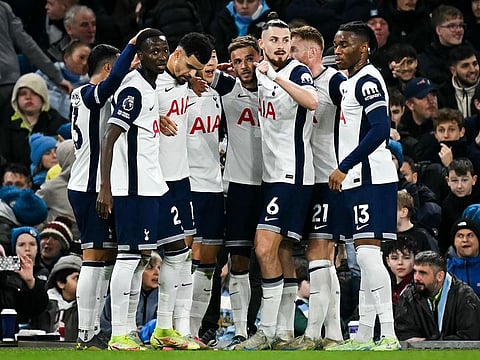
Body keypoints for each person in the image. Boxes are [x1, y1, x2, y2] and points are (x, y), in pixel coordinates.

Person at [96, 29, 195, 351]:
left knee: (179, 254)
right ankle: (119, 333)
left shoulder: (152, 89)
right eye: (153, 51)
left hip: (156, 186)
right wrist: (106, 188)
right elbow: (110, 136)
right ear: (141, 55)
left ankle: (164, 328)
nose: (161, 56)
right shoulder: (134, 90)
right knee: (130, 258)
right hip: (133, 189)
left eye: (164, 50)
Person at [234, 13, 318, 351]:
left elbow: (312, 101)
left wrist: (275, 77)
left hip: (293, 174)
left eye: (286, 41)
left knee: (264, 246)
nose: (282, 46)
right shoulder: (260, 73)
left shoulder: (295, 71)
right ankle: (283, 330)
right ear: (262, 45)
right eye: (275, 41)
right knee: (281, 251)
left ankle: (266, 329)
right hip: (272, 176)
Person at [67, 30, 145, 351]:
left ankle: (94, 329)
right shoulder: (89, 93)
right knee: (94, 257)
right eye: (119, 67)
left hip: (90, 184)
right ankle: (85, 333)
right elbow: (111, 83)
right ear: (109, 68)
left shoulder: (81, 94)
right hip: (90, 187)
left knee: (106, 258)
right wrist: (130, 49)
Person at [326, 21, 400, 351]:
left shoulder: (368, 80)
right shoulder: (351, 80)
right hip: (358, 179)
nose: (337, 51)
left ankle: (389, 334)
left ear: (364, 48)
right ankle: (365, 335)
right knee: (365, 256)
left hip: (370, 176)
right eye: (335, 45)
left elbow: (380, 129)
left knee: (369, 258)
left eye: (344, 45)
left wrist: (344, 166)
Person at [281, 25, 346, 351]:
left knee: (318, 254)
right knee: (323, 259)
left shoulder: (334, 82)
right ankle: (333, 334)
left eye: (294, 49)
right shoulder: (298, 84)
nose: (289, 55)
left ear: (313, 52)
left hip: (331, 179)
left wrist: (347, 165)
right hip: (310, 178)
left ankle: (313, 335)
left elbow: (358, 118)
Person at [154, 32, 214, 341]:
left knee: (183, 255)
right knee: (137, 259)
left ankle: (178, 330)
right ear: (176, 54)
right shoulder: (151, 84)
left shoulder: (184, 86)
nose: (192, 74)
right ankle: (118, 329)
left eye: (197, 70)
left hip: (180, 180)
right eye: (190, 67)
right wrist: (154, 115)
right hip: (155, 182)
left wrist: (191, 83)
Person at [206, 34, 263, 350]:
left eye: (250, 59)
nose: (244, 66)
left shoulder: (277, 88)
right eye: (238, 60)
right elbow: (192, 69)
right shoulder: (227, 90)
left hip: (274, 184)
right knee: (238, 260)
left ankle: (269, 327)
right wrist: (215, 67)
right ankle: (241, 329)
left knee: (271, 259)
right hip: (239, 185)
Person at [186, 49, 225, 339]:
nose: (210, 63)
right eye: (205, 59)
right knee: (182, 261)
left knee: (208, 263)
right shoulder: (175, 94)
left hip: (213, 186)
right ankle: (173, 328)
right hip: (187, 187)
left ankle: (194, 331)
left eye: (213, 58)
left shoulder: (216, 95)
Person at [0, 1, 72, 130]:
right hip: (8, 82)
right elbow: (27, 44)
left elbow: (26, 43)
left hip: (7, 83)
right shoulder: (3, 7)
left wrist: (56, 76)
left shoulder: (3, 8)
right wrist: (56, 76)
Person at [395, 250, 480, 341]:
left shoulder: (465, 297)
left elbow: (469, 336)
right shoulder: (408, 297)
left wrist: (428, 342)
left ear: (440, 276)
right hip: (419, 355)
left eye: (423, 273)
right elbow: (405, 334)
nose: (416, 278)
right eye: (415, 272)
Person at [0, 73, 68, 169]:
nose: (28, 97)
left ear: (43, 96)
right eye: (23, 93)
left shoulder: (58, 123)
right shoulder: (5, 124)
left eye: (35, 93)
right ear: (16, 98)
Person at [101, 251, 162, 339]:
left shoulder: (164, 297)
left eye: (159, 268)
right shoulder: (119, 295)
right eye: (150, 268)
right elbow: (105, 326)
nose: (157, 272)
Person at [0, 226, 49, 335]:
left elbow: (35, 309)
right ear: (14, 248)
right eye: (21, 245)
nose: (27, 249)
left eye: (32, 244)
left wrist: (30, 282)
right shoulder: (7, 275)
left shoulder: (42, 272)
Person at [31, 254, 81, 341]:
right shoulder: (44, 305)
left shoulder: (85, 308)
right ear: (61, 283)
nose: (82, 283)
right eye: (76, 278)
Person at [37, 40, 91, 119]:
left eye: (89, 59)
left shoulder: (92, 85)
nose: (85, 63)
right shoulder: (45, 74)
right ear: (66, 57)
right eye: (81, 57)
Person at [418, 5, 469, 87]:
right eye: (452, 26)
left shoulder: (472, 54)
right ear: (438, 30)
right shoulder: (425, 60)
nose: (459, 30)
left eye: (460, 25)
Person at [439, 158, 480, 253]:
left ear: (474, 180)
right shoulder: (447, 204)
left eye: (464, 180)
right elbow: (444, 238)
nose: (459, 186)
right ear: (447, 181)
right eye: (454, 180)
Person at [397, 76, 438, 161]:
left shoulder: (445, 126)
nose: (431, 101)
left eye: (433, 95)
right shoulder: (402, 132)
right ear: (410, 105)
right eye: (423, 97)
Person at [437, 45, 479, 118]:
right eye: (465, 66)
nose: (473, 70)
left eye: (475, 64)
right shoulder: (441, 94)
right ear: (453, 71)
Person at [446, 217, 480, 297]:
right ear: (454, 242)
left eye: (470, 235)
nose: (465, 240)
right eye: (460, 236)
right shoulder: (444, 268)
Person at [384, 237, 418, 307]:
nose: (400, 262)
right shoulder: (384, 286)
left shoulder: (418, 288)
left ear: (415, 259)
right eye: (394, 258)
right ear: (388, 261)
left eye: (406, 258)